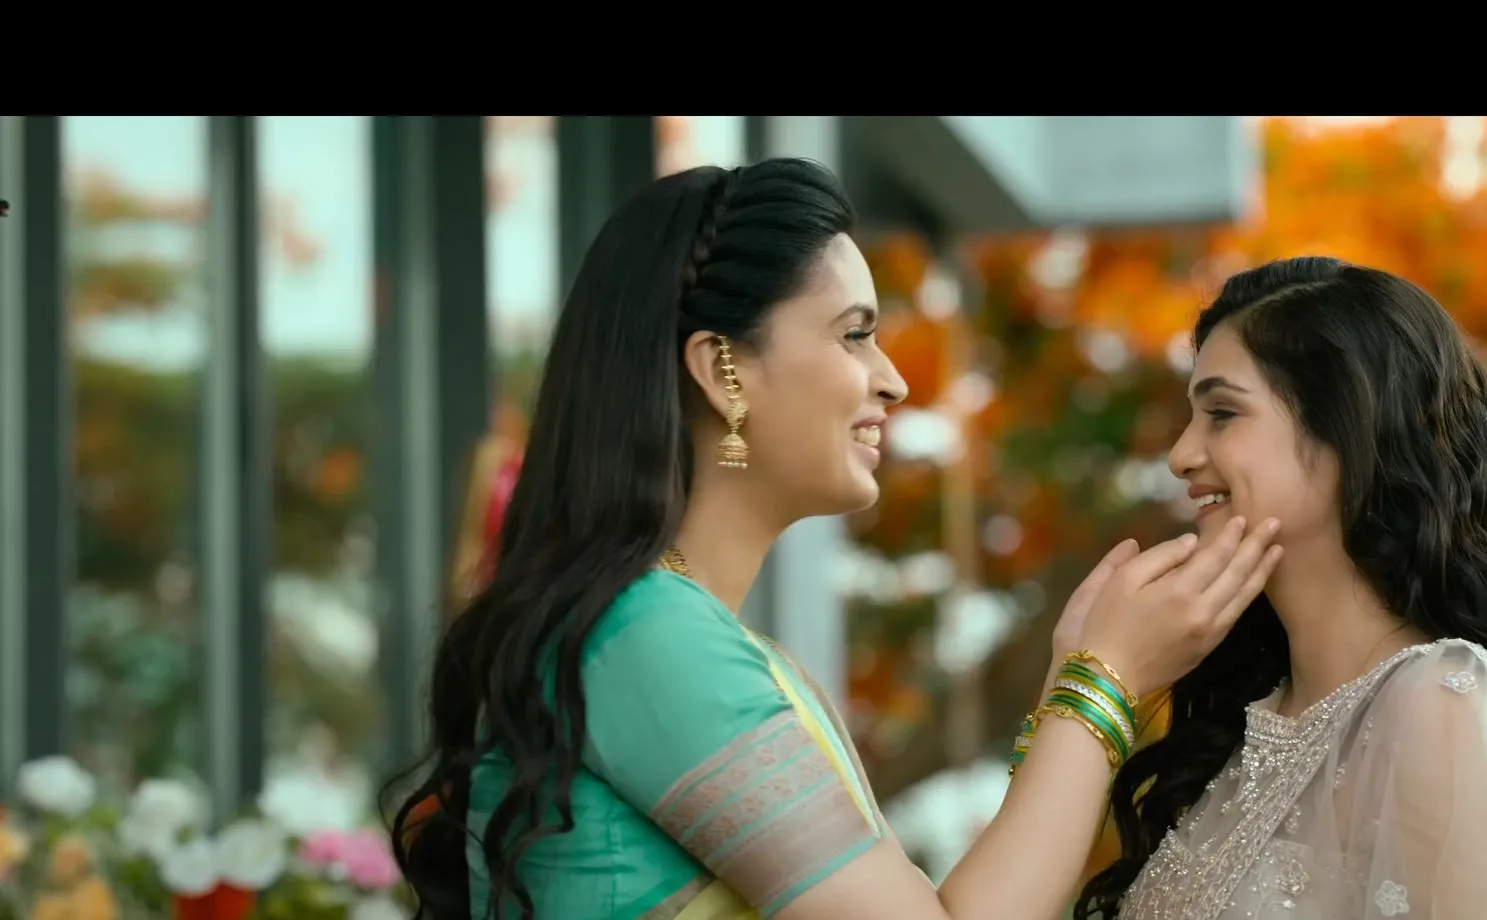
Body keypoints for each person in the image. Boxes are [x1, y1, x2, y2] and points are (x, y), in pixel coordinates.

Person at [387, 157, 1286, 920]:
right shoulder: (643, 636)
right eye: (853, 334)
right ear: (721, 371)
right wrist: (1105, 684)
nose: (891, 380)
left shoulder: (683, 637)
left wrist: (1073, 683)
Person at [1072, 257, 1487, 919]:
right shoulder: (1235, 732)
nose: (1181, 455)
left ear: (1346, 428)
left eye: (1222, 412)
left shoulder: (1438, 697)